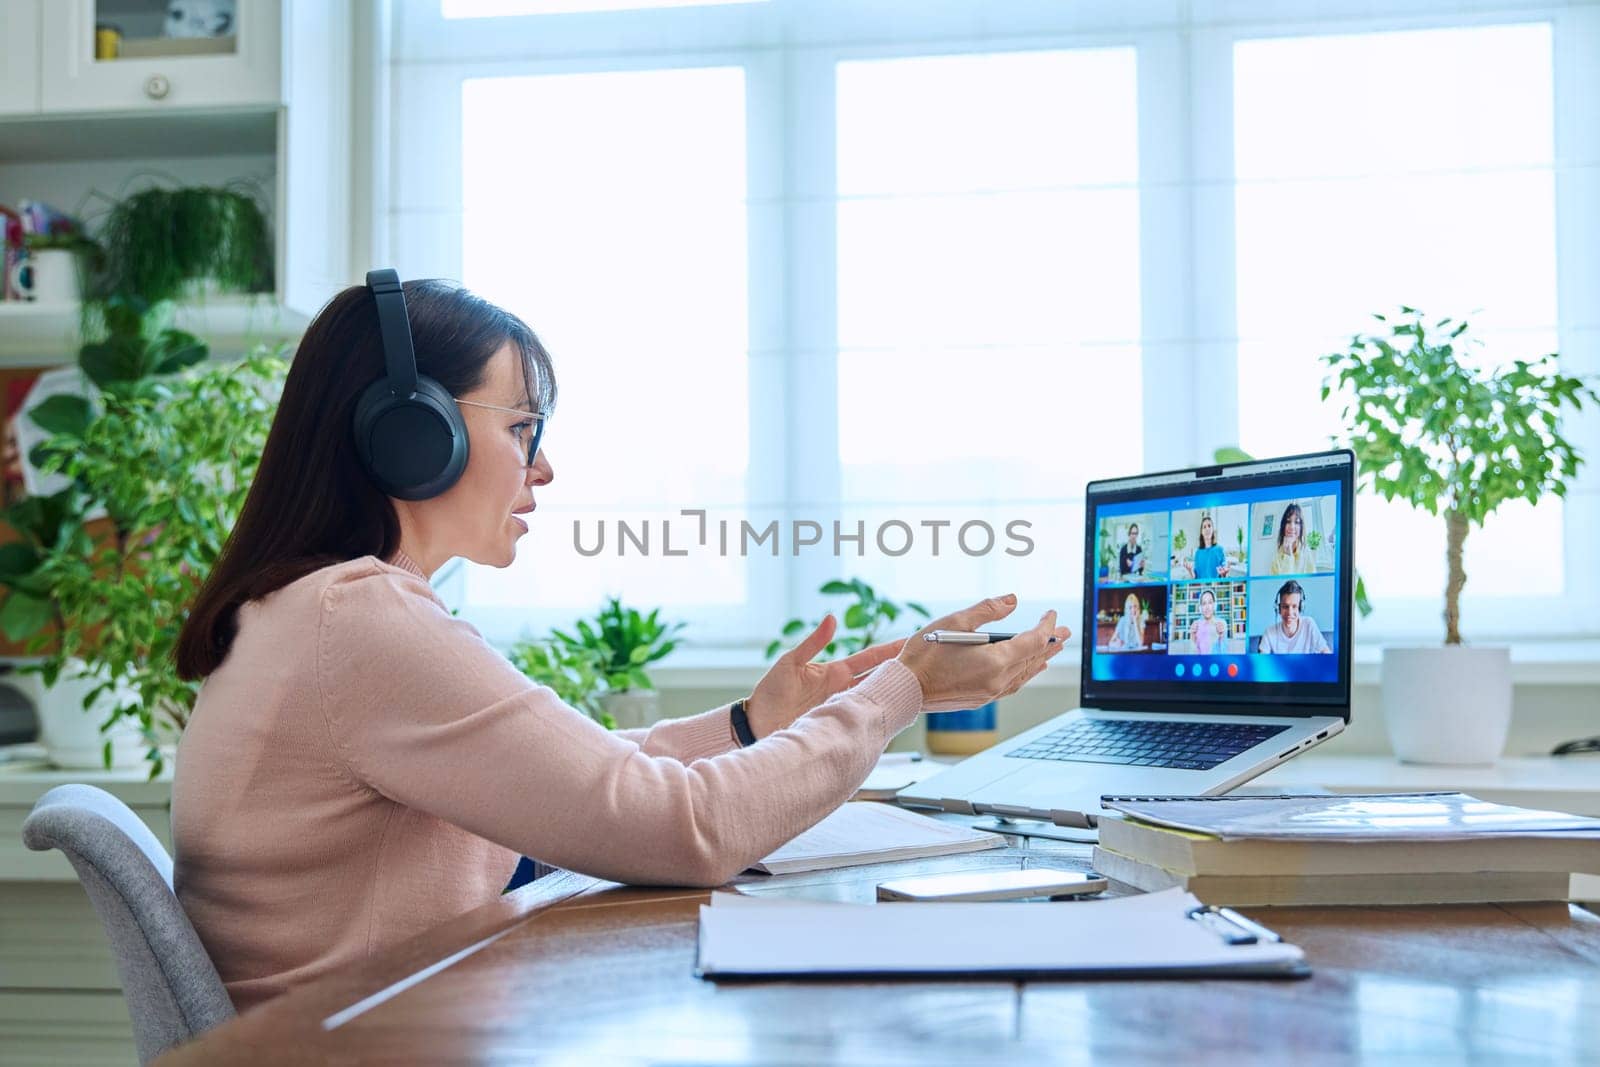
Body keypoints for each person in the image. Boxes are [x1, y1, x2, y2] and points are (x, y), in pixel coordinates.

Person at [168, 277, 1072, 1010]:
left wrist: (753, 724)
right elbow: (685, 828)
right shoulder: (358, 622)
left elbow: (588, 777)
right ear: (412, 436)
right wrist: (898, 692)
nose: (545, 466)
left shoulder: (320, 611)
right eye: (523, 429)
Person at [1258, 580, 1332, 654]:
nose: (1290, 612)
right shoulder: (1269, 633)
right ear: (1279, 608)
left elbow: (1327, 655)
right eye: (1285, 607)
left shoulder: (1309, 624)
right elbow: (1259, 663)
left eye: (1294, 606)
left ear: (1300, 608)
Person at [1269, 503, 1311, 574]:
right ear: (1283, 526)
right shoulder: (1276, 557)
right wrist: (1287, 556)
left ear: (1301, 528)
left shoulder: (1306, 554)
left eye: (1297, 522)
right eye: (1288, 521)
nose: (1292, 526)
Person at [1189, 588, 1226, 654]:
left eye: (1210, 602)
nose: (1207, 607)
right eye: (1204, 603)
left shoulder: (1222, 623)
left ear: (1215, 605)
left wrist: (1221, 636)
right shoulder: (1196, 625)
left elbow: (1224, 652)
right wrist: (1192, 637)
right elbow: (1194, 654)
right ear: (1200, 608)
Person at [1191, 515, 1228, 581]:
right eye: (1204, 527)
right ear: (1201, 532)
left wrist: (1224, 574)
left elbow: (1224, 574)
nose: (1207, 529)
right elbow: (1195, 577)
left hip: (1216, 588)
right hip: (1202, 589)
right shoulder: (1198, 553)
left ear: (1213, 529)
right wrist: (1190, 570)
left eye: (1209, 526)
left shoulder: (1220, 550)